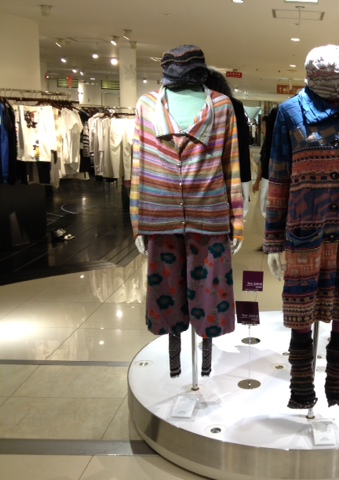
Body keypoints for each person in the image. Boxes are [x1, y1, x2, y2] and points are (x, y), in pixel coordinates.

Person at [264, 44, 339, 408]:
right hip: (306, 234)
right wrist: (273, 241)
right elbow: (279, 179)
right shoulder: (289, 113)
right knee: (302, 315)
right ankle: (301, 389)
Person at [130, 45, 244, 378]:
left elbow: (232, 167)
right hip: (159, 215)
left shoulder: (221, 106)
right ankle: (176, 363)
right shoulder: (146, 105)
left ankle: (204, 365)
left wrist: (236, 223)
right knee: (166, 293)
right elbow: (138, 165)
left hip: (209, 216)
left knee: (211, 296)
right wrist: (137, 222)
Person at [204, 68, 252, 217]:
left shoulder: (199, 105)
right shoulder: (234, 105)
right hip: (229, 170)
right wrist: (245, 182)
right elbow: (242, 147)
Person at [252, 106, 277, 218]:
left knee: (267, 207)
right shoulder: (266, 143)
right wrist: (257, 181)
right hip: (266, 179)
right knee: (264, 206)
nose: (261, 129)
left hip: (271, 180)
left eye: (264, 126)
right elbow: (261, 163)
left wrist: (257, 182)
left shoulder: (274, 144)